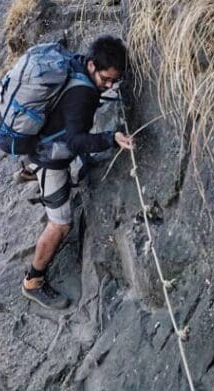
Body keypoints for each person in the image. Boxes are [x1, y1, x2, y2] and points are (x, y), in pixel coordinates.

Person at [20, 36, 134, 309]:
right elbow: (74, 141)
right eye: (106, 79)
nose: (108, 85)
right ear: (93, 65)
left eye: (114, 81)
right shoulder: (82, 94)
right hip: (50, 158)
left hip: (40, 139)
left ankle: (30, 169)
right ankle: (33, 281)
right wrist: (111, 138)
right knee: (61, 224)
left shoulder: (76, 65)